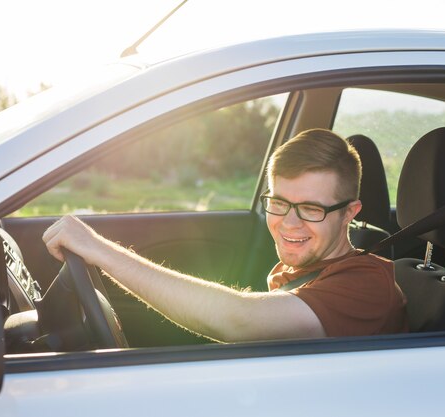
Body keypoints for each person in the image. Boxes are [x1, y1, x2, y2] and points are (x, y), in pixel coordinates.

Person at [43, 128, 408, 342]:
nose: (290, 223)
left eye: (312, 209)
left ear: (349, 213)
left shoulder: (369, 284)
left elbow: (239, 319)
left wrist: (98, 250)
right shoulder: (300, 272)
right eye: (279, 202)